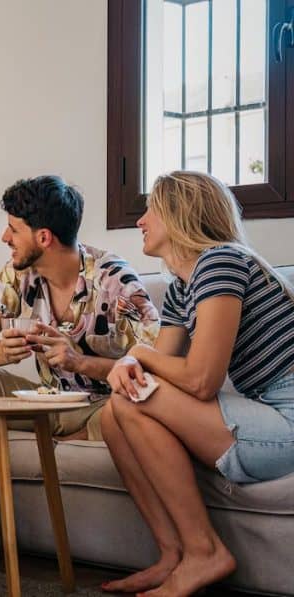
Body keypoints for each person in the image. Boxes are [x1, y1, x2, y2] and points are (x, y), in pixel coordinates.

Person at [0, 175, 160, 563]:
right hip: (44, 404)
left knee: (133, 410)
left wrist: (79, 361)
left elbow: (156, 367)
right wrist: (1, 352)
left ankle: (81, 433)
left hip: (103, 408)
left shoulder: (116, 281)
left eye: (14, 228)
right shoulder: (18, 274)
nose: (5, 237)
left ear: (44, 237)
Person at [100, 171, 294, 596]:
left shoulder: (221, 261)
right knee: (117, 409)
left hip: (287, 422)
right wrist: (135, 365)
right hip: (267, 412)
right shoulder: (180, 287)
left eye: (151, 208)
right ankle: (173, 555)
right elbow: (162, 369)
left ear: (178, 213)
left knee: (132, 400)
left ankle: (204, 552)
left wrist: (138, 356)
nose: (141, 221)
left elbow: (202, 380)